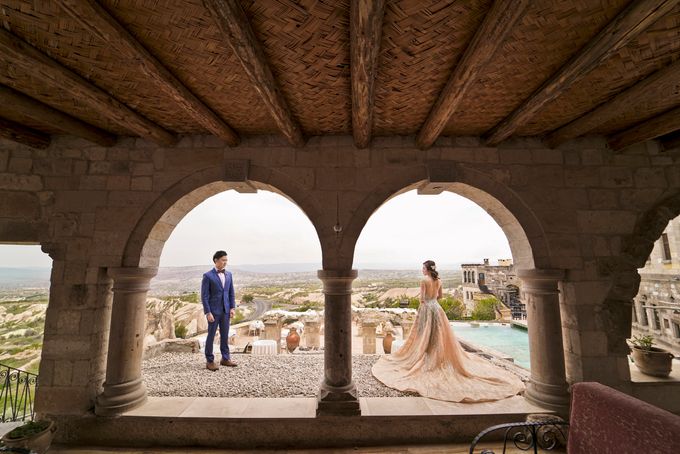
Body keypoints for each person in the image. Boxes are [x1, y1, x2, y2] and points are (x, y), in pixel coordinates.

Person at [371, 260, 524, 402]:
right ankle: (437, 356)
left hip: (426, 309)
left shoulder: (423, 281)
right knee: (438, 335)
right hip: (437, 309)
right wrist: (433, 301)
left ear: (427, 269)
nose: (422, 270)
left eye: (423, 268)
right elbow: (440, 296)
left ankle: (426, 355)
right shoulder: (439, 281)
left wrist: (424, 304)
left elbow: (422, 299)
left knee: (424, 334)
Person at [201, 250, 237, 371]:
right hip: (213, 311)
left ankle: (225, 358)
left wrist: (232, 307)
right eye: (223, 260)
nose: (225, 262)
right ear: (216, 260)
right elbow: (204, 296)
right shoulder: (207, 276)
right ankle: (210, 360)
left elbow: (231, 292)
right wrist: (207, 312)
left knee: (225, 335)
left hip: (226, 311)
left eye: (226, 260)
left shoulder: (229, 275)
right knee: (211, 335)